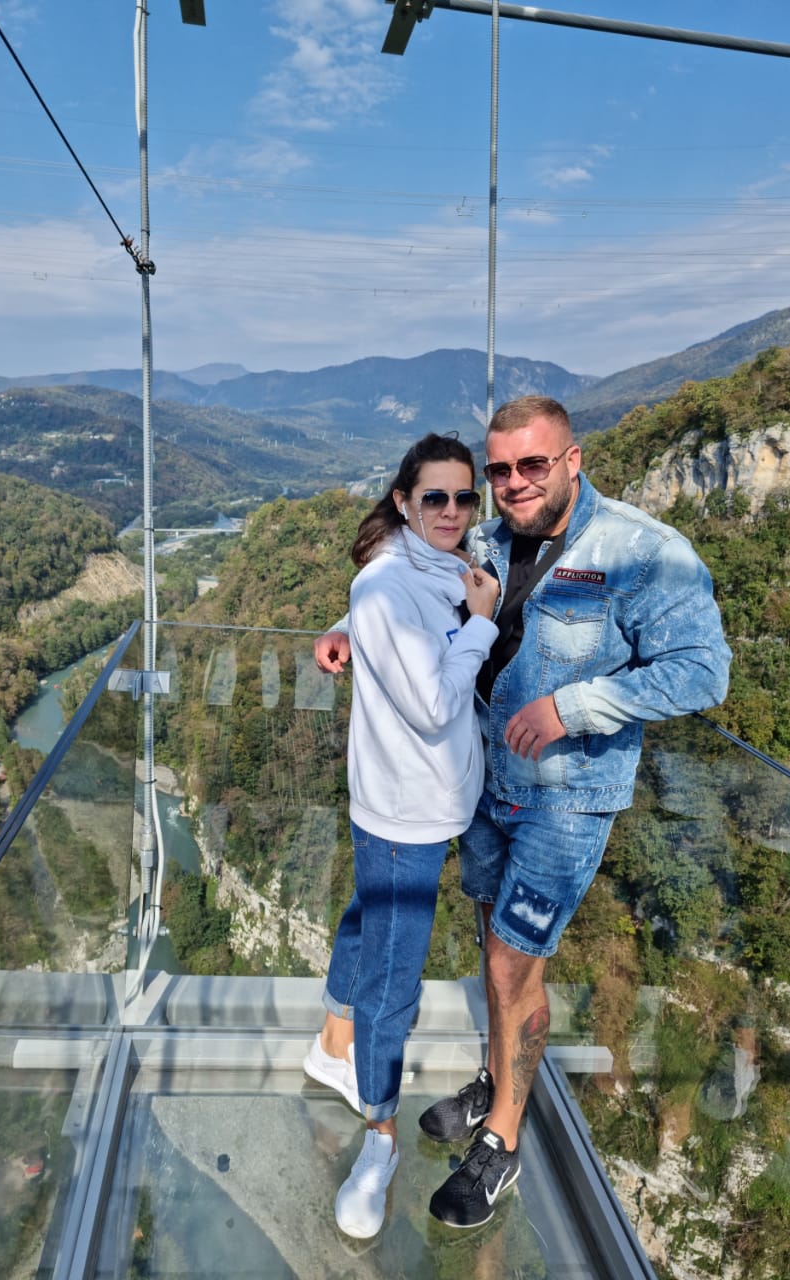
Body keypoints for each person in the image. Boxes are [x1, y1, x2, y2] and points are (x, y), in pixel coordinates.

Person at [314, 395, 731, 1230]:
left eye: (531, 464)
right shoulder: (491, 543)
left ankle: (501, 1140)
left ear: (573, 460)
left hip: (566, 800)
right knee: (492, 945)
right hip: (485, 787)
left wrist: (573, 708)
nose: (512, 483)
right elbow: (422, 597)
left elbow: (702, 671)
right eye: (498, 470)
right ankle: (495, 1081)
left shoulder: (643, 552)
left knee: (511, 965)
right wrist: (351, 627)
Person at [303, 431, 500, 1240]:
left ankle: (331, 1043)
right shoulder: (389, 581)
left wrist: (349, 627)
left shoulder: (441, 562)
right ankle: (378, 1136)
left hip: (434, 797)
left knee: (368, 922)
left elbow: (397, 617)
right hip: (403, 809)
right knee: (394, 978)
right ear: (402, 500)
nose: (452, 511)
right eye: (435, 498)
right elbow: (432, 703)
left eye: (464, 497)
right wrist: (481, 624)